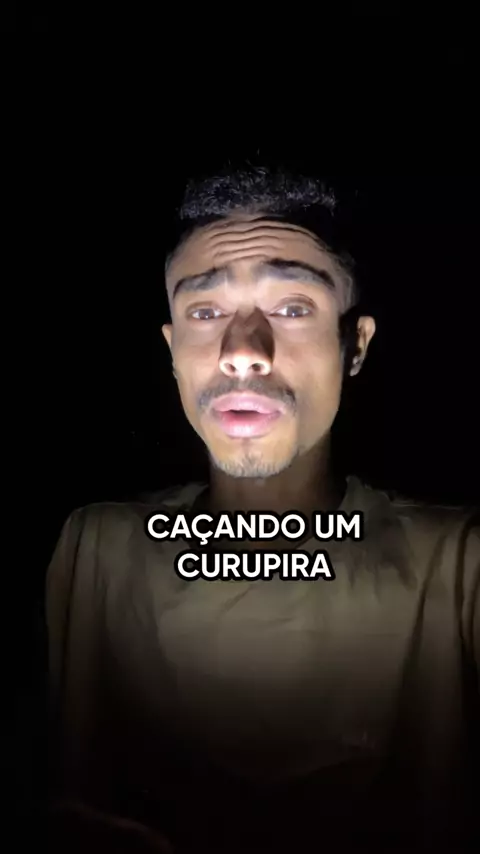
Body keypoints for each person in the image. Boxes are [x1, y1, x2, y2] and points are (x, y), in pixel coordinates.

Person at [46, 165, 479, 853]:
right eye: (205, 312)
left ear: (356, 345)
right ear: (172, 352)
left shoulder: (456, 566)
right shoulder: (98, 551)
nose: (243, 353)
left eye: (292, 307)